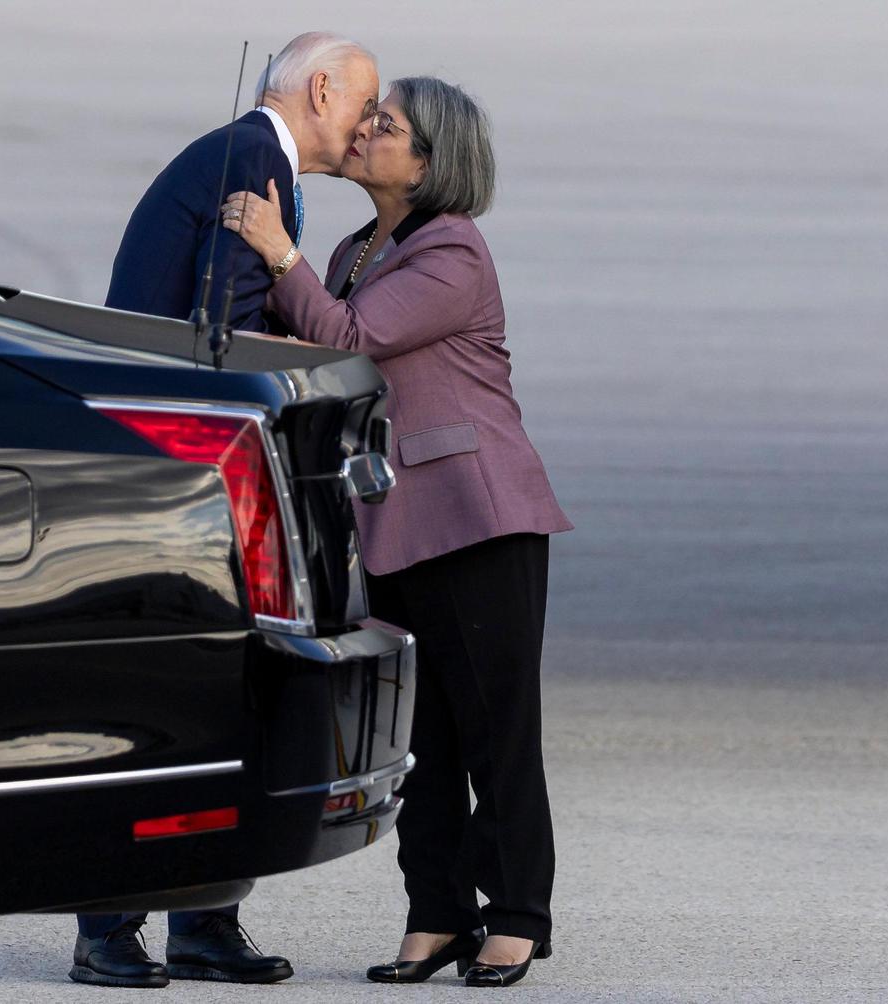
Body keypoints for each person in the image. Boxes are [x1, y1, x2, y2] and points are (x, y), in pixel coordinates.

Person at [223, 77, 573, 989]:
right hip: (388, 526)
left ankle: (518, 918)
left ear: (430, 162)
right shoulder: (352, 247)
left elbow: (352, 334)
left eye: (388, 127)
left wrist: (275, 251)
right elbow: (310, 349)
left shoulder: (452, 250)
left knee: (497, 730)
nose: (365, 132)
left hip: (475, 519)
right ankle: (437, 915)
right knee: (424, 739)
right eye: (369, 119)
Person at [68, 32, 379, 990]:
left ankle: (203, 922)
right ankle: (108, 930)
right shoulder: (254, 163)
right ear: (321, 89)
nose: (368, 126)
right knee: (167, 702)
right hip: (182, 481)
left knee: (219, 703)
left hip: (188, 472)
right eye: (364, 105)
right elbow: (228, 339)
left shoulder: (251, 161)